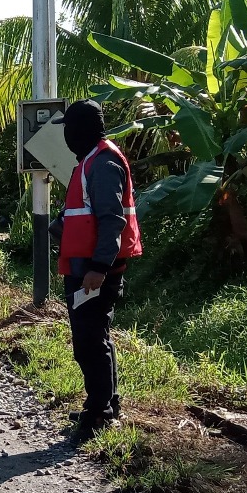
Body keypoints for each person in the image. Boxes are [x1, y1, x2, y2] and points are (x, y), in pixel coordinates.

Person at [48, 99, 143, 443]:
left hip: (94, 270)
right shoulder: (90, 161)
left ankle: (100, 413)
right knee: (93, 338)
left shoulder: (102, 163)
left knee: (89, 341)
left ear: (83, 130)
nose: (67, 137)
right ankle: (103, 403)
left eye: (70, 130)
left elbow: (112, 219)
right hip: (84, 266)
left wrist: (99, 267)